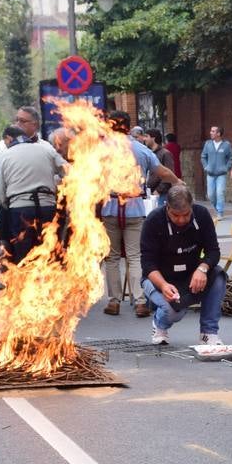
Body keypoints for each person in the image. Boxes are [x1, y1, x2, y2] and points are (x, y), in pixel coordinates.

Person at [101, 110, 178, 316]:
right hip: (135, 207)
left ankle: (114, 301)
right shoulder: (140, 149)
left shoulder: (101, 151)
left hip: (110, 206)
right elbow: (162, 172)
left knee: (113, 257)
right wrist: (178, 182)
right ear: (127, 126)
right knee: (135, 256)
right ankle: (140, 301)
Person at [139, 185, 227, 346]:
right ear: (167, 207)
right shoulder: (153, 220)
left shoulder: (201, 215)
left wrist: (202, 269)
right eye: (175, 215)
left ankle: (208, 332)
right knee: (173, 313)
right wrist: (163, 285)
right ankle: (159, 324)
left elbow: (213, 251)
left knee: (219, 276)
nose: (181, 220)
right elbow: (147, 264)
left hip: (191, 274)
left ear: (192, 207)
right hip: (160, 278)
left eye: (186, 215)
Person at [0, 124, 65, 264]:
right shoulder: (46, 150)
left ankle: (25, 283)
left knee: (23, 252)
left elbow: (0, 191)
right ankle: (50, 282)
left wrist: (6, 205)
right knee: (48, 248)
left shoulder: (5, 156)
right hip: (47, 207)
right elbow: (67, 171)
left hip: (20, 209)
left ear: (8, 139)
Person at [200, 125, 232, 218]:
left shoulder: (226, 145)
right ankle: (216, 209)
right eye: (211, 131)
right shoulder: (208, 144)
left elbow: (230, 158)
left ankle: (220, 212)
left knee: (220, 193)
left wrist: (226, 168)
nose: (211, 133)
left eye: (213, 131)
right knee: (211, 195)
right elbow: (203, 156)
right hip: (210, 174)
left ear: (219, 133)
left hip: (221, 174)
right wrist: (206, 167)